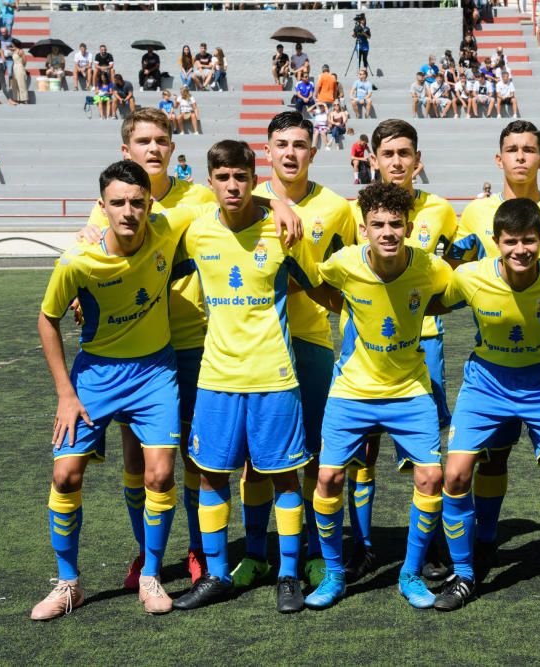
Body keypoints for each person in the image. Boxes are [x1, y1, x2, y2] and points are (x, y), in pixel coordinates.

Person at [74, 108, 303, 593]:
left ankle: (202, 553)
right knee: (138, 459)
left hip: (198, 342)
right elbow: (93, 251)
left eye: (161, 140)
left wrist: (276, 202)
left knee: (202, 460)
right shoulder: (112, 203)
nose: (153, 149)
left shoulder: (198, 197)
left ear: (173, 150)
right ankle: (146, 555)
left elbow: (236, 194)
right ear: (127, 151)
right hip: (142, 349)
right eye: (143, 141)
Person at [31, 160, 195, 620]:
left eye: (137, 202)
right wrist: (66, 393)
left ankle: (151, 574)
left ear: (150, 204)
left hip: (154, 374)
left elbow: (224, 199)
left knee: (160, 474)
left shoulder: (166, 230)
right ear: (101, 208)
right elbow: (48, 319)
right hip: (95, 377)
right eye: (117, 203)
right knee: (66, 476)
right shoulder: (78, 259)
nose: (128, 211)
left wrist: (277, 202)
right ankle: (69, 585)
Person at [170, 140, 319, 613]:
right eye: (223, 177)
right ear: (209, 181)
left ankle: (289, 574)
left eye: (241, 176)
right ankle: (217, 574)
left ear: (254, 178)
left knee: (284, 477)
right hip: (216, 376)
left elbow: (323, 289)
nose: (232, 185)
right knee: (211, 474)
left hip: (274, 376)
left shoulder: (284, 233)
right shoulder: (194, 233)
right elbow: (147, 266)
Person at [444, 122, 540, 576]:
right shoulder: (475, 213)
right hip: (492, 356)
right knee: (493, 456)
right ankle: (486, 540)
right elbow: (450, 271)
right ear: (499, 159)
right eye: (512, 149)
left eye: (530, 150)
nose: (521, 158)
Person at [299, 181, 452, 611]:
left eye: (395, 224)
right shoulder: (344, 262)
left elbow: (447, 298)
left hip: (410, 389)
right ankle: (333, 574)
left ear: (408, 227)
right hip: (351, 390)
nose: (387, 231)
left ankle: (410, 573)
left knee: (430, 478)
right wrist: (341, 306)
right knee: (329, 478)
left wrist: (417, 310)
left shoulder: (429, 268)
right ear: (363, 228)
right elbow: (315, 282)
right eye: (378, 224)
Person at [343, 120, 458, 585]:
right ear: (373, 160)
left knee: (424, 454)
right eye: (387, 153)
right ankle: (364, 546)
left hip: (423, 342)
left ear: (418, 160)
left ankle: (430, 545)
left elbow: (453, 277)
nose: (396, 161)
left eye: (404, 153)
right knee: (361, 452)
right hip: (361, 342)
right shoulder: (352, 212)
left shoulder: (444, 212)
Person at [249, 111, 355, 591]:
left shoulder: (335, 207)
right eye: (281, 144)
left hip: (311, 341)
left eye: (299, 144)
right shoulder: (243, 202)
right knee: (256, 457)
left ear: (313, 151)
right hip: (253, 346)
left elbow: (351, 274)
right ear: (266, 151)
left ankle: (316, 551)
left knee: (314, 454)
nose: (290, 152)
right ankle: (255, 552)